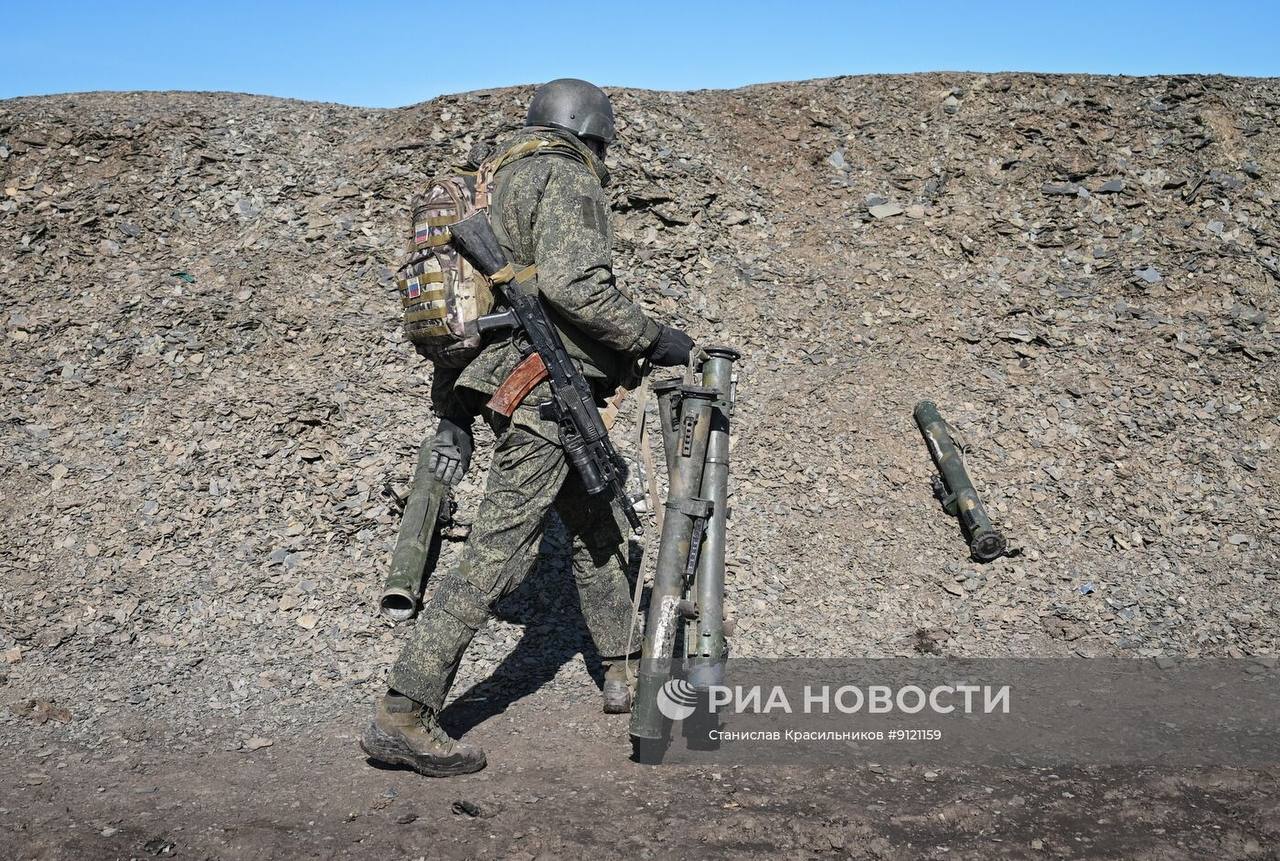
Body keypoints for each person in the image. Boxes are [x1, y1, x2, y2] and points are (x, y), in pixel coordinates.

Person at [361, 79, 695, 776]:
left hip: (519, 380)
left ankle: (624, 667)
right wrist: (652, 336)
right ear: (591, 132)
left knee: (599, 525)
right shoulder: (565, 175)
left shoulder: (498, 177)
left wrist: (454, 408)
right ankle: (405, 710)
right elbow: (578, 287)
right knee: (495, 551)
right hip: (546, 389)